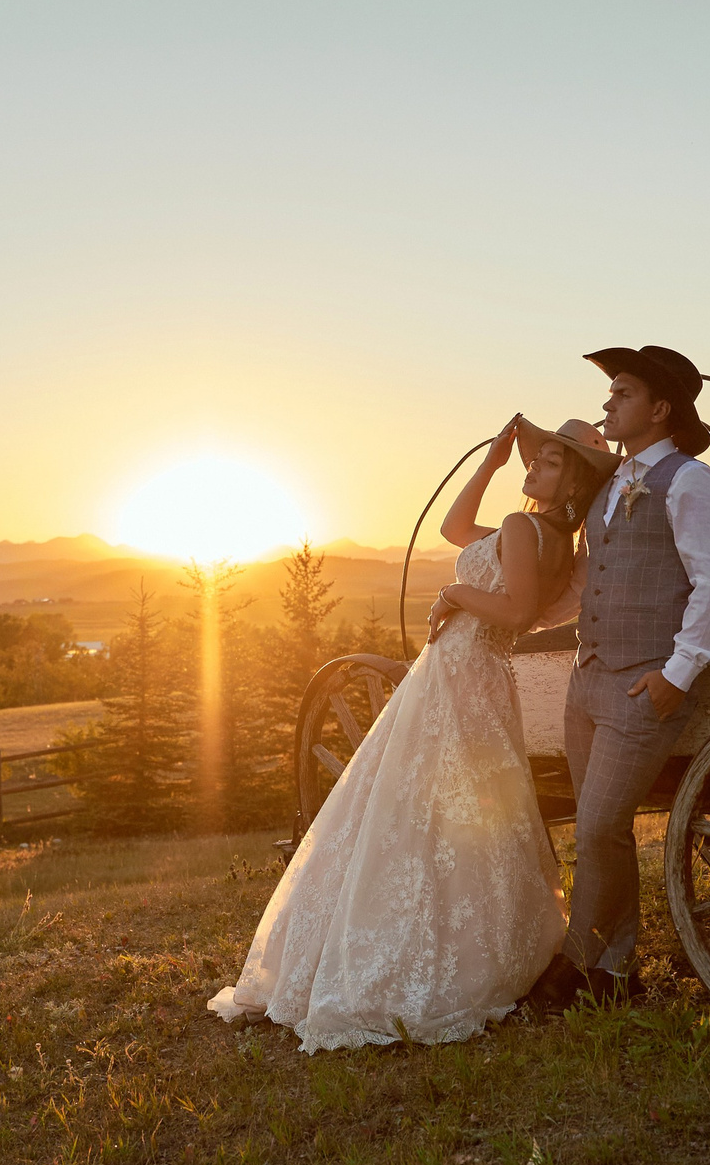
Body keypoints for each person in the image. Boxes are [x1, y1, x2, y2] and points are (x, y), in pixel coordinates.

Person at [208, 415, 617, 1052]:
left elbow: (514, 611)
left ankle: (405, 956)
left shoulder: (521, 527)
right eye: (535, 458)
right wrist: (492, 461)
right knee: (454, 804)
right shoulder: (550, 536)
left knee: (419, 802)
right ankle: (488, 949)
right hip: (478, 674)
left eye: (551, 463)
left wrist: (454, 591)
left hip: (460, 668)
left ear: (572, 485)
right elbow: (456, 530)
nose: (532, 466)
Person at [534, 344, 710, 1010]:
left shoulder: (692, 482)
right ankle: (615, 972)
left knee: (595, 827)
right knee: (607, 831)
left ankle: (575, 962)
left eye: (621, 393)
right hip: (588, 679)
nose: (607, 403)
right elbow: (590, 580)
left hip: (642, 684)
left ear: (660, 408)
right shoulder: (612, 482)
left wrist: (674, 676)